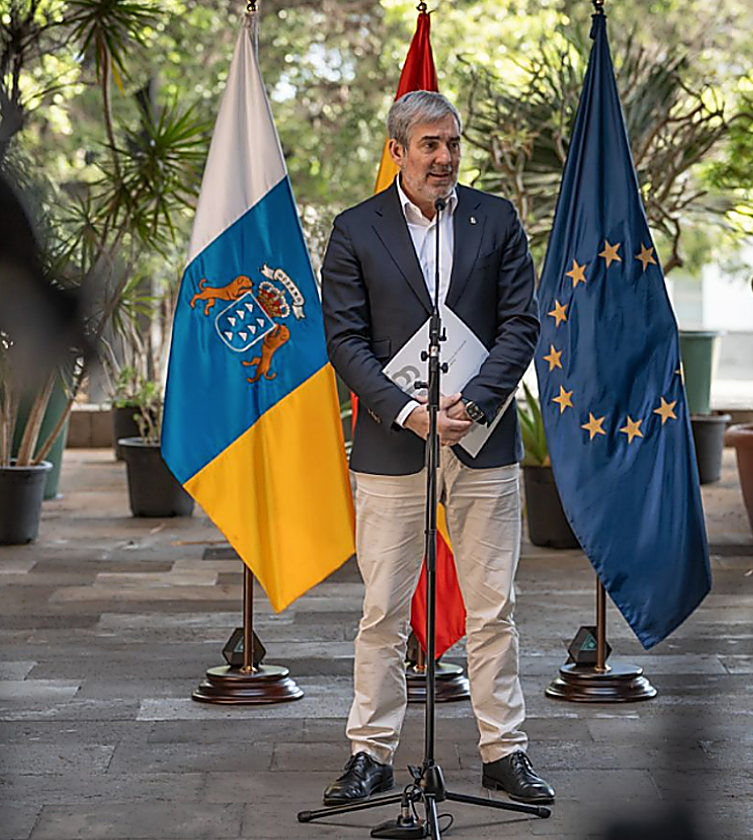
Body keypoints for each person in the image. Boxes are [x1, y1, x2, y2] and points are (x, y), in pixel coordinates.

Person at [319, 90, 554, 806]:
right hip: (394, 446)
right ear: (397, 150)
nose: (444, 158)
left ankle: (504, 752)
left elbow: (521, 324)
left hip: (482, 442)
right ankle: (371, 754)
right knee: (384, 610)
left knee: (493, 609)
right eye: (429, 144)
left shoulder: (497, 220)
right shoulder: (355, 229)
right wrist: (408, 412)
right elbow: (344, 341)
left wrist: (474, 402)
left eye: (452, 143)